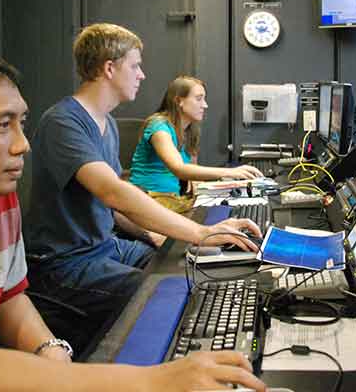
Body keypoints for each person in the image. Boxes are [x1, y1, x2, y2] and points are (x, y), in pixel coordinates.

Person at [0, 46, 265, 391]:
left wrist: (50, 349)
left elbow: (7, 297)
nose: (23, 145)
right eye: (2, 126)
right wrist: (153, 382)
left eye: (21, 123)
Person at [23, 24, 262, 349]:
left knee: (184, 262)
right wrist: (201, 232)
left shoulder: (107, 124)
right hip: (64, 264)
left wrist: (161, 237)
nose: (142, 75)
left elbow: (111, 206)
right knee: (166, 291)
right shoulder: (63, 122)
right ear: (109, 68)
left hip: (106, 247)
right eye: (135, 65)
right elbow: (112, 192)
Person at [129, 75, 263, 210]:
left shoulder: (189, 129)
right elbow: (179, 169)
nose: (205, 105)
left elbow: (193, 173)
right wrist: (230, 172)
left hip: (171, 198)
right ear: (178, 101)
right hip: (149, 199)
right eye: (199, 99)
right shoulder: (158, 127)